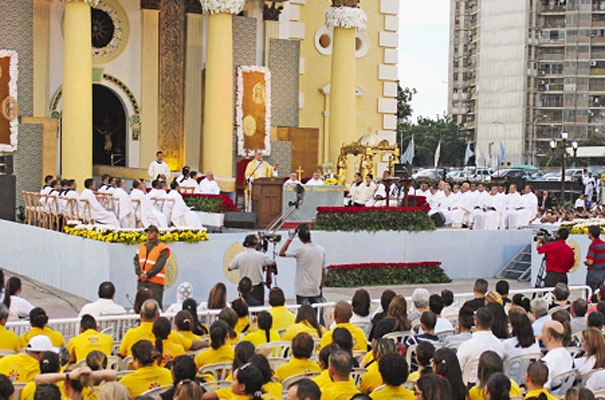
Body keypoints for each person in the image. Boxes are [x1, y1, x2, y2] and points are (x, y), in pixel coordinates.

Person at [279, 224, 326, 305]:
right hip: (315, 289)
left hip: (302, 290)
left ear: (300, 238)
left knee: (304, 315)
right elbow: (323, 271)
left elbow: (281, 253)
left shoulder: (300, 251)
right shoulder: (321, 250)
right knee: (318, 315)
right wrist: (321, 286)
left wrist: (290, 238)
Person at [456, 307, 505, 384]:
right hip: (495, 386)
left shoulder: (467, 346)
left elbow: (458, 369)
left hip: (470, 388)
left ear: (476, 323)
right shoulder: (501, 345)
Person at [229, 235, 276, 305]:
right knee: (258, 310)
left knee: (243, 309)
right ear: (256, 244)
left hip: (244, 287)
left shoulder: (239, 256)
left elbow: (230, 268)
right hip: (257, 288)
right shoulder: (261, 256)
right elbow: (273, 263)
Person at [134, 224, 171, 308]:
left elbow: (159, 265)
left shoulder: (162, 248)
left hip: (155, 283)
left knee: (155, 305)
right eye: (147, 232)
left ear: (156, 234)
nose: (149, 234)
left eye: (151, 232)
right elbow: (136, 260)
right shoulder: (142, 246)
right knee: (140, 305)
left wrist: (148, 274)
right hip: (142, 281)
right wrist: (139, 273)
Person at [540, 320, 573, 390]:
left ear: (548, 336)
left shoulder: (547, 361)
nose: (540, 336)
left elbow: (545, 389)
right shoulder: (569, 355)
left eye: (542, 332)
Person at [584, 225, 605, 292]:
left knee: (591, 293)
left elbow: (590, 261)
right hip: (602, 272)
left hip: (593, 272)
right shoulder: (603, 244)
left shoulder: (593, 245)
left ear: (591, 234)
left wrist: (586, 263)